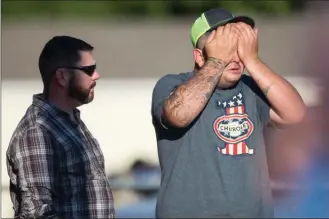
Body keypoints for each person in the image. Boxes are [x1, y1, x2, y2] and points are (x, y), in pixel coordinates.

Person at [151, 8, 306, 218]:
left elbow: (295, 114)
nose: (235, 58)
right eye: (224, 48)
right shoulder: (171, 84)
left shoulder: (251, 89)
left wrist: (252, 61)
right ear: (199, 56)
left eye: (238, 47)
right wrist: (216, 62)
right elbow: (178, 115)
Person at [6, 36, 115, 219]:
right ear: (62, 76)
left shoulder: (70, 122)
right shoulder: (37, 132)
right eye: (89, 70)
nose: (96, 75)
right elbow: (38, 213)